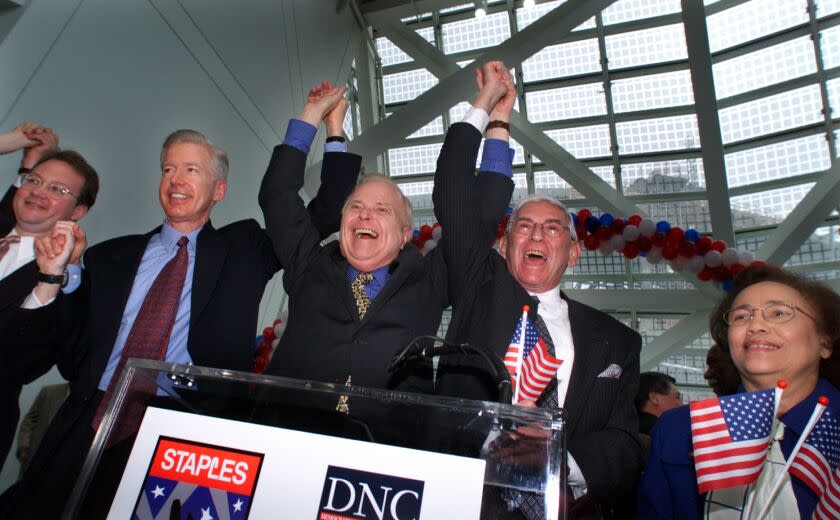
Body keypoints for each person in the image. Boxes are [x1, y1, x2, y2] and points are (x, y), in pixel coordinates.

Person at [0, 115, 360, 517]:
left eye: (191, 169)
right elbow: (68, 353)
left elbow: (325, 212)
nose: (175, 179)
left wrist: (327, 129)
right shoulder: (107, 257)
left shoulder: (244, 249)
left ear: (218, 189)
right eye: (168, 169)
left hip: (187, 432)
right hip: (89, 421)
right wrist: (66, 279)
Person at [434, 67, 644, 514]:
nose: (535, 237)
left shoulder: (618, 340)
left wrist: (556, 459)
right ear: (504, 244)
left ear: (573, 253)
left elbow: (624, 444)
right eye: (523, 228)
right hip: (461, 499)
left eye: (552, 230)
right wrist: (491, 110)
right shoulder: (478, 287)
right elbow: (455, 195)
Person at [259, 68, 514, 397]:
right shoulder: (308, 263)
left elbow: (480, 216)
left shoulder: (431, 280)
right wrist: (313, 115)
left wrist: (495, 118)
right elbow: (277, 195)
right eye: (355, 206)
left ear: (406, 233)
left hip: (386, 441)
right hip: (288, 432)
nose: (365, 213)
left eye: (382, 210)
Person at [637, 265, 840, 519]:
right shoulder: (678, 429)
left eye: (779, 313)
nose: (756, 325)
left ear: (825, 342)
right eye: (742, 317)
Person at [0, 122, 97, 470]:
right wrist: (18, 149)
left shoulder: (64, 284)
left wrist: (50, 277)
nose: (39, 192)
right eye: (34, 181)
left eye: (57, 189)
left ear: (77, 212)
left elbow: (21, 364)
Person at [15, 382, 69, 476]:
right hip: (32, 461)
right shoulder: (48, 391)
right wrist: (24, 445)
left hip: (59, 470)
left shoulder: (88, 402)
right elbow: (29, 420)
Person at [636, 372, 681, 436]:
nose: (681, 405)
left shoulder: (626, 428)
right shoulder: (668, 433)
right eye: (677, 397)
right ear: (655, 398)